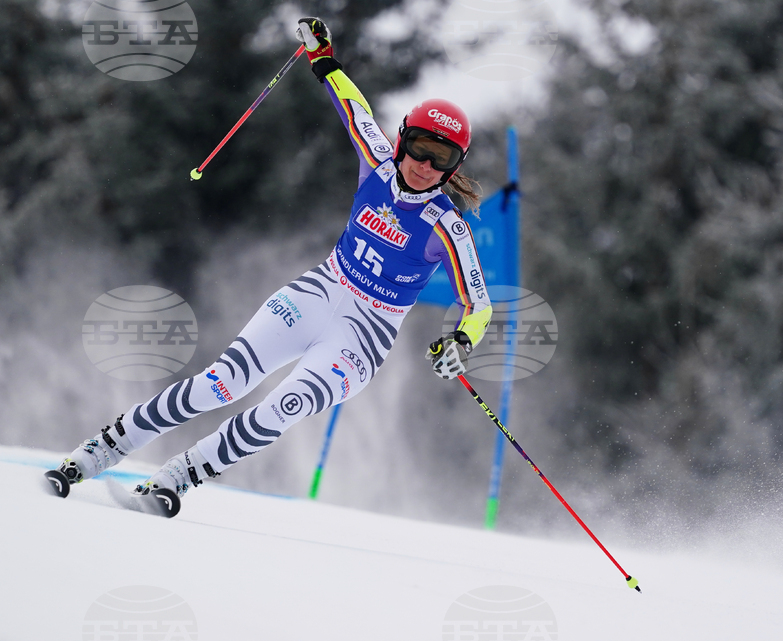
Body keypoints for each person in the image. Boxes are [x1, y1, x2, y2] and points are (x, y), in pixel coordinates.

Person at [54, 18, 493, 498]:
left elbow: (479, 303)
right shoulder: (376, 161)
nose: (426, 166)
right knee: (220, 384)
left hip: (366, 333)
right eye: (420, 149)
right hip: (321, 291)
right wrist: (321, 55)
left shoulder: (446, 225)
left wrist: (461, 343)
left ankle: (180, 476)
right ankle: (100, 451)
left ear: (456, 166)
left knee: (282, 409)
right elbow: (353, 106)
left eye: (443, 159)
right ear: (403, 139)